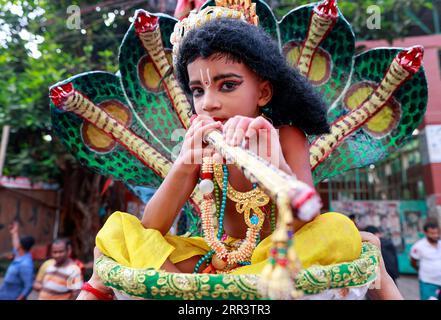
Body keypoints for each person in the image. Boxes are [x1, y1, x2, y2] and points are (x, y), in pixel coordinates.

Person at [77, 11, 362, 299]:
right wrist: (185, 164)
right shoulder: (202, 148)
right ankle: (193, 293)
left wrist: (274, 163)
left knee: (337, 229)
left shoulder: (285, 136)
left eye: (228, 85)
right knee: (119, 230)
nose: (209, 104)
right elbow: (152, 227)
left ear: (262, 93)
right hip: (216, 260)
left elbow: (303, 220)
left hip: (278, 255)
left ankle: (192, 293)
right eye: (197, 91)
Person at [410, 220, 441, 300]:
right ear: (425, 233)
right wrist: (420, 270)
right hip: (428, 283)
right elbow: (413, 262)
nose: (435, 235)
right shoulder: (418, 246)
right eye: (432, 233)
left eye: (437, 233)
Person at [0, 221, 35, 300]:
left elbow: (28, 286)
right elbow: (15, 244)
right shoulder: (19, 255)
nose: (17, 242)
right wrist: (14, 232)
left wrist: (20, 298)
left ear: (21, 246)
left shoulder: (26, 264)